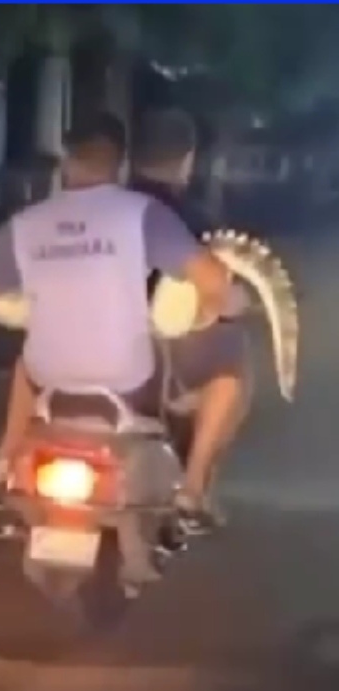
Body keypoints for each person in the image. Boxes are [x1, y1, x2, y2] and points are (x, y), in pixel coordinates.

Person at [0, 112, 238, 526]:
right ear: (120, 164)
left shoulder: (27, 224)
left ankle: (5, 464)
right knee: (230, 366)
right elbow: (213, 281)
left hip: (51, 376)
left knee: (27, 359)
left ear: (66, 161)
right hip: (126, 375)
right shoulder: (143, 214)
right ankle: (192, 488)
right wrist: (208, 311)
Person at [127, 108, 252, 533]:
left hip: (83, 357)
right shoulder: (193, 220)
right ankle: (194, 488)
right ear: (187, 159)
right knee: (230, 372)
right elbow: (216, 297)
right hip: (154, 362)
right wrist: (234, 302)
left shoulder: (103, 210)